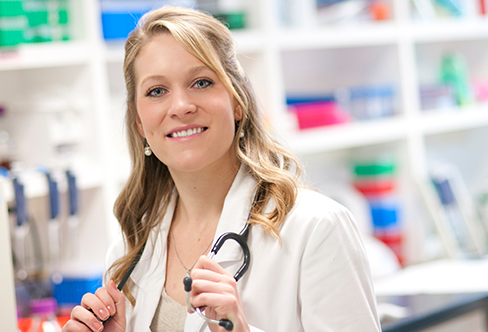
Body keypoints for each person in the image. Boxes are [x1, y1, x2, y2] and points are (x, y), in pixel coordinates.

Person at [63, 5, 381, 332]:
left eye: (201, 82)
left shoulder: (315, 228)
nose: (181, 106)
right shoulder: (130, 255)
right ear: (139, 122)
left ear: (237, 100)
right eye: (157, 91)